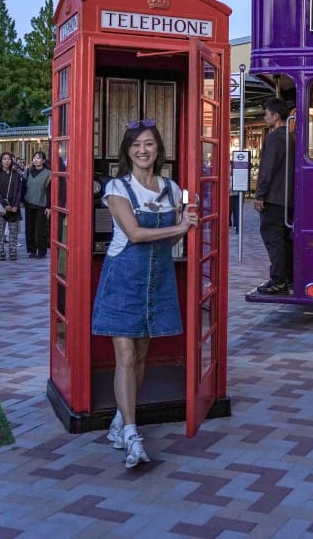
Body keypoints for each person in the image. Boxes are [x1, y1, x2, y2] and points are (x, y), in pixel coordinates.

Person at [91, 121, 198, 469]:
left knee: (139, 357)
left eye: (149, 144)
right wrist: (180, 226)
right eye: (136, 144)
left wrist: (185, 223)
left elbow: (169, 241)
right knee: (124, 355)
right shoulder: (116, 187)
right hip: (123, 277)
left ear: (158, 150)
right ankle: (133, 434)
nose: (143, 150)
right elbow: (135, 234)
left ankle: (121, 421)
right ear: (127, 150)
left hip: (158, 279)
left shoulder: (170, 188)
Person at [253, 98, 295, 294]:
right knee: (285, 240)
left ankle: (278, 280)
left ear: (276, 116)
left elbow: (267, 169)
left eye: (266, 114)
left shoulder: (274, 137)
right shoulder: (292, 137)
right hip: (290, 199)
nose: (265, 117)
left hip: (274, 199)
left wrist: (259, 195)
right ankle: (289, 277)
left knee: (272, 238)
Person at [0, 151, 24, 261]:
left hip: (14, 206)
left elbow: (19, 190)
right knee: (0, 231)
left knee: (13, 231)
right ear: (1, 160)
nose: (7, 161)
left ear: (12, 161)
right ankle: (1, 251)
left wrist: (15, 205)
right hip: (1, 206)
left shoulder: (15, 174)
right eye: (4, 159)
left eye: (9, 159)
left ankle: (13, 251)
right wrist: (5, 205)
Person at [24, 151, 52, 259]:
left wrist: (49, 207)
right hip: (29, 202)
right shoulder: (28, 171)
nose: (35, 160)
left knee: (41, 229)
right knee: (30, 228)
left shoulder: (48, 173)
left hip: (42, 204)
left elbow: (50, 191)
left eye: (38, 158)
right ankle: (32, 250)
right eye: (34, 158)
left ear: (43, 161)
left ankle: (41, 251)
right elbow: (23, 187)